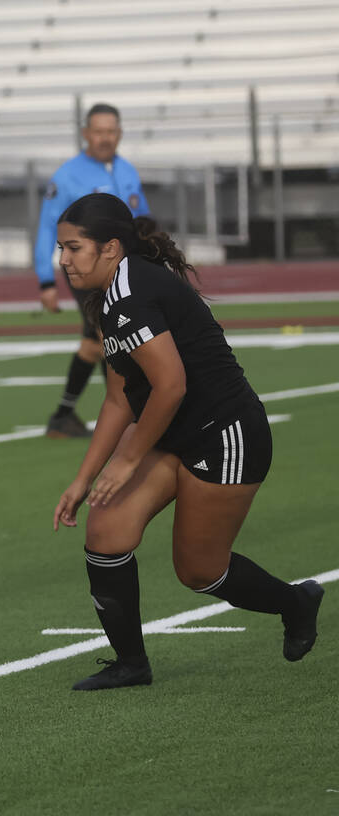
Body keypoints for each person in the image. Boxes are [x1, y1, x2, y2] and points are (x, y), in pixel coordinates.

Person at [51, 192, 323, 691]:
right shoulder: (108, 296)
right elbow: (118, 400)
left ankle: (296, 601)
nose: (62, 260)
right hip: (173, 431)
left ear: (110, 248)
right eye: (61, 248)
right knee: (105, 533)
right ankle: (132, 665)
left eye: (72, 248)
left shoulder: (131, 293)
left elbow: (171, 385)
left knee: (199, 572)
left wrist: (127, 460)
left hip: (226, 434)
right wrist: (84, 478)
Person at [34, 103, 151, 438]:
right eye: (98, 131)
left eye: (111, 131)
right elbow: (46, 228)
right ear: (86, 134)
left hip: (122, 272)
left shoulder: (127, 171)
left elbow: (142, 221)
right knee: (111, 337)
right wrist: (46, 280)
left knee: (94, 345)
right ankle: (128, 413)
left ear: (120, 134)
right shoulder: (68, 176)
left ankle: (63, 415)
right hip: (86, 273)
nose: (105, 138)